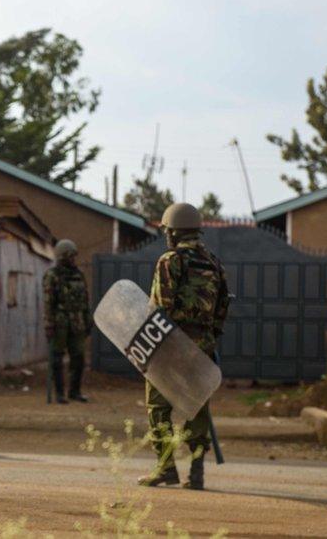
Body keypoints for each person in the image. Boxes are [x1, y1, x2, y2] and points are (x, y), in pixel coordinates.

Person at [138, 203, 229, 491]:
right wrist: (208, 338)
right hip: (202, 346)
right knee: (196, 406)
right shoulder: (214, 263)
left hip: (171, 345)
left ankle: (166, 469)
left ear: (173, 231)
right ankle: (197, 473)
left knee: (158, 408)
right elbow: (223, 307)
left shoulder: (170, 260)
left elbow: (162, 308)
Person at [43, 239, 93, 404]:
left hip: (77, 321)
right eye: (71, 256)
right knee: (57, 358)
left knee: (78, 357)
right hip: (60, 322)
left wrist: (87, 320)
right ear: (63, 256)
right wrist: (49, 324)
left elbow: (85, 300)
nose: (73, 259)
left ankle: (75, 391)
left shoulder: (78, 274)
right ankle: (59, 393)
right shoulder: (52, 275)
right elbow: (48, 302)